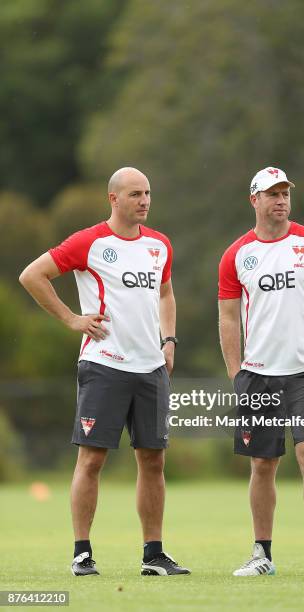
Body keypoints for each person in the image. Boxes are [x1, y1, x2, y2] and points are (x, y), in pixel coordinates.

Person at [19, 167, 190, 577]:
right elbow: (32, 275)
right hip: (104, 367)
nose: (144, 201)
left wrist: (169, 341)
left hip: (150, 369)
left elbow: (166, 293)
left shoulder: (159, 245)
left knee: (153, 460)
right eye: (135, 194)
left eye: (147, 193)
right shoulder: (89, 242)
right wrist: (72, 319)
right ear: (113, 199)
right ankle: (82, 554)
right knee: (91, 460)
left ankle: (153, 555)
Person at [218, 166, 304, 577]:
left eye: (285, 193)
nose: (281, 200)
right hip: (259, 374)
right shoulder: (236, 254)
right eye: (272, 194)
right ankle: (262, 555)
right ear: (253, 200)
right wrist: (236, 374)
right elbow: (226, 317)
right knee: (262, 464)